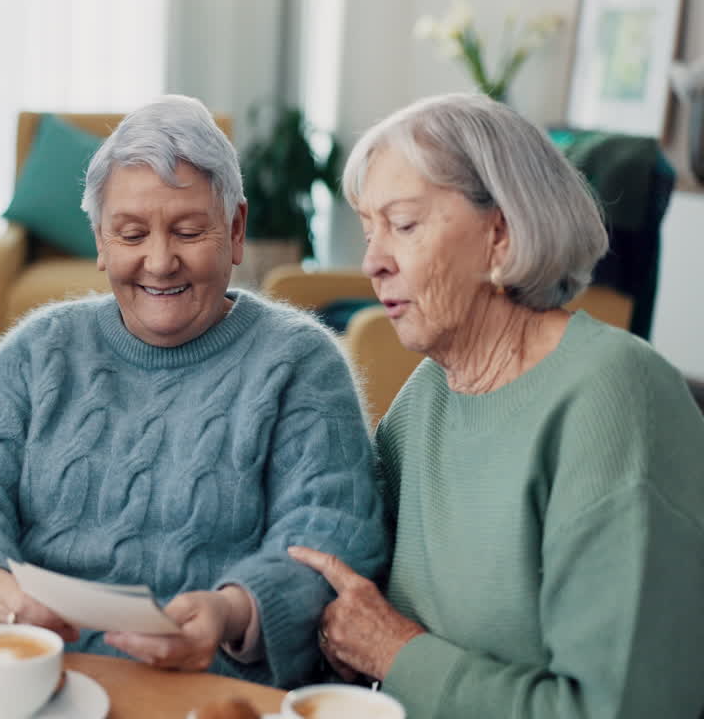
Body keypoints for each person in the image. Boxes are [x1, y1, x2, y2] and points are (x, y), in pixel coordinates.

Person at [0, 95, 388, 688]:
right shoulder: (38, 351)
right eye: (131, 233)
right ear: (100, 241)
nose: (160, 262)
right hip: (31, 680)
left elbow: (328, 535)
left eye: (189, 231)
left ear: (235, 230)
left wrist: (230, 611)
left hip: (211, 691)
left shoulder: (300, 363)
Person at [289, 93, 704, 718]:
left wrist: (394, 652)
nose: (372, 261)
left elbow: (618, 709)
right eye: (370, 229)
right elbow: (358, 594)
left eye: (402, 225)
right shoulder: (426, 397)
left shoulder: (616, 399)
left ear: (500, 236)